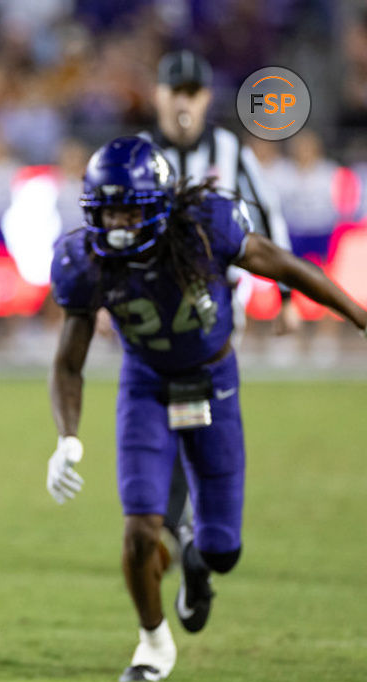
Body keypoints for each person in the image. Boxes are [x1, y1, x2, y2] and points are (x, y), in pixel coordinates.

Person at [45, 137, 367, 682]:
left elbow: (284, 266)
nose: (119, 222)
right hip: (145, 383)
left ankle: (198, 560)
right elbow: (68, 363)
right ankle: (152, 642)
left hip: (214, 380)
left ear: (157, 205)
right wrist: (66, 438)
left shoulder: (202, 230)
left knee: (223, 550)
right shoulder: (87, 262)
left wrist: (359, 316)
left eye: (129, 208)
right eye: (109, 208)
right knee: (142, 528)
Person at [139, 49, 298, 566]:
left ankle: (183, 523)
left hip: (217, 306)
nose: (183, 102)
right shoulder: (138, 151)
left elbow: (264, 218)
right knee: (155, 412)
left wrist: (289, 296)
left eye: (192, 92)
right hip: (150, 305)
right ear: (159, 95)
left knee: (194, 409)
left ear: (205, 98)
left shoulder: (229, 149)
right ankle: (183, 524)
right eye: (174, 91)